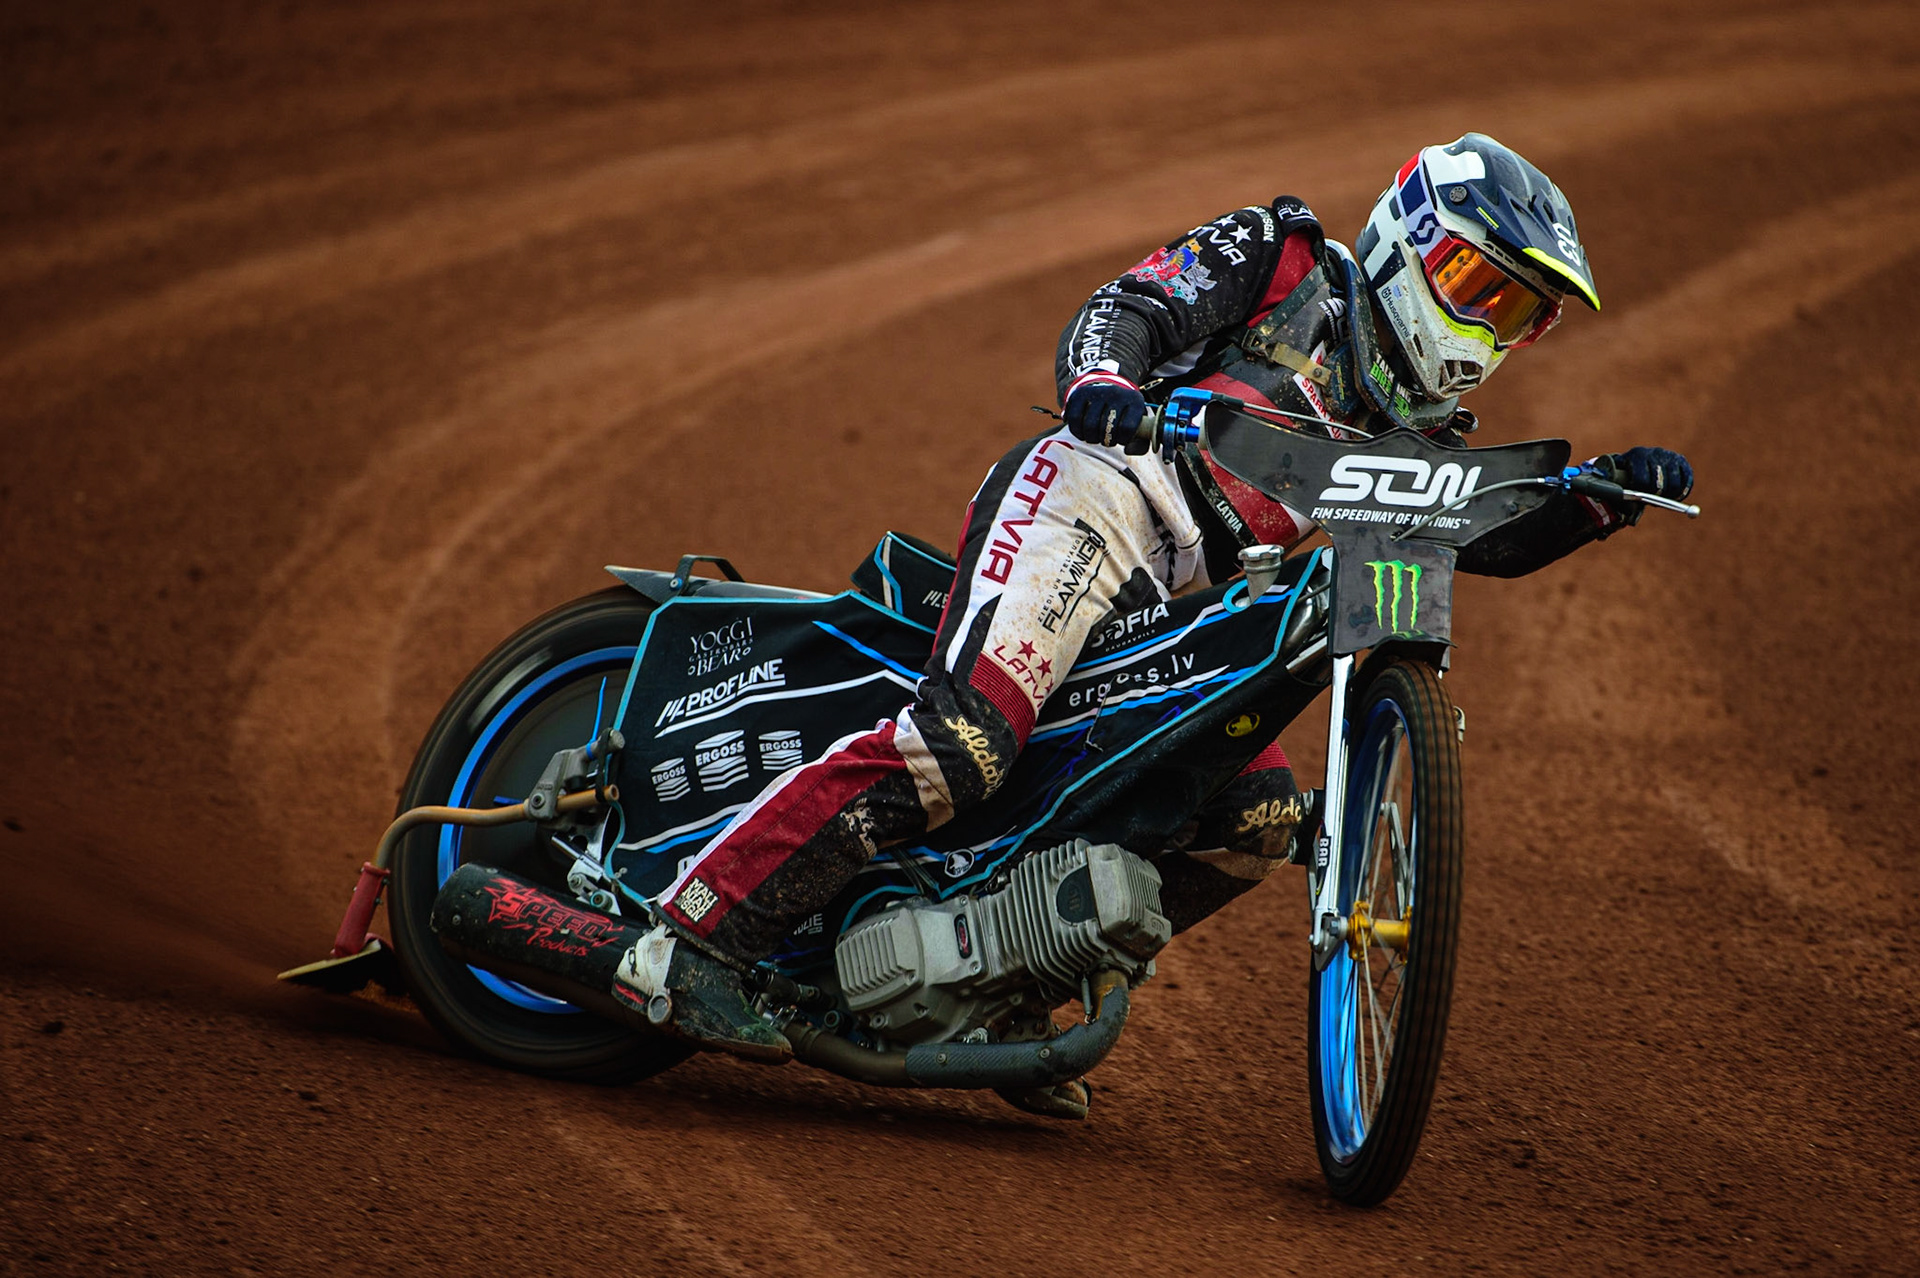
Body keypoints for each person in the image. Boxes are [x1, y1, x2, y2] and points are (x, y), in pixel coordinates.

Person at [611, 133, 1694, 1088]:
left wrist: (1591, 502)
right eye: (1477, 281)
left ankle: (999, 996)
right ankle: (681, 944)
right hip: (1093, 495)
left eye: (1517, 312)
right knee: (964, 742)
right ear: (1412, 232)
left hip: (1170, 601)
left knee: (1251, 815)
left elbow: (1479, 535)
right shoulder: (1285, 258)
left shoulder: (1416, 430)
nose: (1486, 325)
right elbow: (1126, 308)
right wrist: (1104, 382)